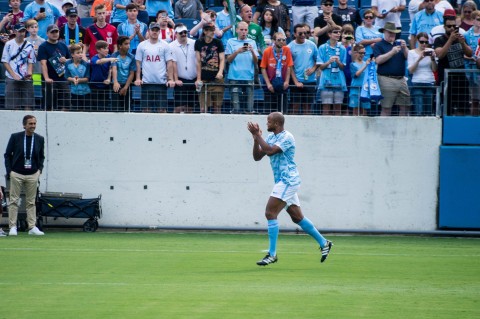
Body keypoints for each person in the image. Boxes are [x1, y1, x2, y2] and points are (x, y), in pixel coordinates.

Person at [246, 112, 333, 266]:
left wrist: (257, 135)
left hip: (288, 180)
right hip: (282, 181)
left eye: (269, 121)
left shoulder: (287, 137)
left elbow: (271, 151)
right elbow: (257, 157)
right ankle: (324, 242)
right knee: (297, 217)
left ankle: (272, 254)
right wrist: (255, 139)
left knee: (270, 212)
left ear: (277, 124)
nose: (266, 124)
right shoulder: (271, 137)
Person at [4, 115, 45, 236]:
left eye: (34, 124)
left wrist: (39, 170)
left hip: (32, 174)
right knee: (13, 201)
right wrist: (9, 171)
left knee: (31, 202)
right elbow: (7, 154)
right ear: (24, 125)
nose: (33, 126)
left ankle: (32, 227)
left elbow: (41, 156)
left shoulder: (39, 139)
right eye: (30, 124)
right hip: (16, 173)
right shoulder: (15, 137)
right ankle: (12, 227)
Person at [434, 12, 473, 115]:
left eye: (454, 26)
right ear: (444, 27)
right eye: (449, 26)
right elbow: (440, 55)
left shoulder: (461, 38)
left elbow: (469, 54)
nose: (452, 28)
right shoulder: (439, 40)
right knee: (447, 109)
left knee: (463, 109)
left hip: (460, 80)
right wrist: (450, 40)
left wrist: (463, 43)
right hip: (446, 80)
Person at [134, 22, 175, 113]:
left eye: (157, 30)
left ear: (159, 32)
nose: (155, 32)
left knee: (162, 110)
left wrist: (171, 79)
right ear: (149, 31)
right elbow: (138, 63)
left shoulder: (165, 45)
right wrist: (138, 78)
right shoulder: (142, 45)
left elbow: (169, 62)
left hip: (161, 83)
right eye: (153, 30)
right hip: (146, 83)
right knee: (145, 110)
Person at [373, 22, 411, 116]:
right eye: (389, 32)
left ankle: (401, 130)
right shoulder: (379, 45)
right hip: (386, 79)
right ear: (384, 32)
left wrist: (405, 48)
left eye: (394, 32)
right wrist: (392, 52)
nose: (392, 34)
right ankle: (383, 130)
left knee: (405, 107)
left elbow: (409, 58)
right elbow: (378, 60)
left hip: (401, 79)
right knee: (386, 108)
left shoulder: (399, 44)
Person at [226, 21, 259, 114]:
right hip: (234, 76)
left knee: (249, 108)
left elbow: (256, 61)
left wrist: (252, 51)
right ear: (237, 30)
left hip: (249, 76)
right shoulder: (230, 42)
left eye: (245, 30)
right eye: (241, 30)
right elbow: (228, 60)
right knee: (236, 109)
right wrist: (237, 52)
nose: (244, 32)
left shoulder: (252, 42)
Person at [1, 23, 36, 110]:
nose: (22, 33)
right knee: (12, 105)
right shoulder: (9, 44)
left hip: (25, 78)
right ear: (15, 32)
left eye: (23, 31)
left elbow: (31, 62)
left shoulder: (29, 45)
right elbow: (5, 62)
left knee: (29, 104)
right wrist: (13, 75)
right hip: (11, 77)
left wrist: (29, 73)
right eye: (20, 31)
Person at [37, 24, 71, 110]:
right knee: (49, 104)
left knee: (66, 102)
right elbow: (43, 63)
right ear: (47, 33)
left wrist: (65, 60)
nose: (55, 34)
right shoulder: (43, 47)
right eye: (52, 32)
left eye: (56, 31)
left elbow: (70, 60)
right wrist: (46, 78)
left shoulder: (63, 45)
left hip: (63, 78)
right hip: (50, 79)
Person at [288, 24, 319, 115]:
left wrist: (313, 69)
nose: (303, 35)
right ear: (294, 34)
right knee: (295, 106)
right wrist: (296, 81)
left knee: (308, 107)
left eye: (305, 33)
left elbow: (318, 60)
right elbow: (290, 67)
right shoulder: (290, 47)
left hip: (310, 80)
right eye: (300, 33)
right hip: (297, 80)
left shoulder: (312, 45)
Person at [194, 22, 225, 114]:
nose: (212, 32)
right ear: (205, 31)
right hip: (204, 78)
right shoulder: (199, 42)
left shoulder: (218, 42)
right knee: (203, 107)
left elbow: (222, 59)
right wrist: (198, 78)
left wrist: (220, 72)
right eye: (210, 30)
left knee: (217, 106)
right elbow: (198, 61)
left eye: (213, 30)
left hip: (216, 78)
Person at [318, 26, 348, 116]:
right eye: (335, 32)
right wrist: (329, 62)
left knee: (338, 108)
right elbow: (321, 67)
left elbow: (343, 67)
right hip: (326, 80)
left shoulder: (342, 48)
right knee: (326, 107)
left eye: (339, 32)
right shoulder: (322, 48)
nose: (338, 34)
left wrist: (338, 61)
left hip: (339, 80)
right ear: (329, 34)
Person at [260, 32, 292, 113]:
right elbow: (263, 68)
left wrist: (287, 81)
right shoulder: (267, 51)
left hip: (282, 83)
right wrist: (268, 84)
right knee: (269, 110)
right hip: (270, 83)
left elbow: (289, 66)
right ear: (274, 41)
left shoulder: (287, 50)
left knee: (282, 111)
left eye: (283, 40)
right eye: (279, 40)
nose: (282, 42)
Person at [169, 23, 197, 113]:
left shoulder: (194, 43)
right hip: (180, 80)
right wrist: (176, 79)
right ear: (176, 34)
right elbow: (173, 64)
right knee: (178, 107)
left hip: (193, 79)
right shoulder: (171, 46)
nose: (183, 34)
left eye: (185, 32)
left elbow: (198, 61)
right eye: (181, 33)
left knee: (190, 108)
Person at [408, 32, 438, 116]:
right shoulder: (412, 52)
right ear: (417, 41)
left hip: (429, 81)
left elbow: (434, 69)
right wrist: (419, 59)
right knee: (419, 111)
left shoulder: (431, 51)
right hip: (417, 82)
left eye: (426, 42)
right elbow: (411, 70)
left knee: (428, 111)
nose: (424, 44)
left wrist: (432, 59)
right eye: (422, 42)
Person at [90, 40, 117, 111]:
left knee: (105, 106)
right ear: (98, 50)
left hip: (105, 85)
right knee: (95, 107)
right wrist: (110, 59)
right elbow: (99, 62)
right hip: (94, 85)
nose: (107, 50)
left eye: (107, 48)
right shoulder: (94, 58)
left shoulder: (108, 57)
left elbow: (110, 69)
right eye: (104, 48)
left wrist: (108, 79)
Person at [112, 36, 136, 111]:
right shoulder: (114, 55)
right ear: (120, 45)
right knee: (115, 108)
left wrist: (125, 87)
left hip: (127, 85)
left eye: (129, 44)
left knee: (127, 108)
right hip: (116, 85)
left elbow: (132, 73)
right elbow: (114, 68)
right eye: (126, 44)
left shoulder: (131, 57)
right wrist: (115, 82)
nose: (128, 46)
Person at [64, 43, 91, 111]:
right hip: (73, 92)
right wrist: (73, 79)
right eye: (78, 53)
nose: (80, 54)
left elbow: (87, 78)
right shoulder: (68, 63)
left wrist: (77, 80)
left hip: (85, 92)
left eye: (81, 52)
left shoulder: (86, 64)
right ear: (72, 55)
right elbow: (67, 76)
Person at [464, 9, 480, 115]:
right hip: (470, 69)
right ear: (473, 20)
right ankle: (473, 118)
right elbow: (463, 53)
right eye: (478, 19)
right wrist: (470, 57)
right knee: (473, 99)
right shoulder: (466, 35)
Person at [349, 44, 372, 116]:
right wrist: (366, 66)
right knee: (355, 111)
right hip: (355, 90)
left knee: (364, 112)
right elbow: (356, 75)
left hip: (365, 90)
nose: (362, 55)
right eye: (360, 53)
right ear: (356, 53)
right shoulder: (353, 64)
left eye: (364, 53)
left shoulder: (367, 64)